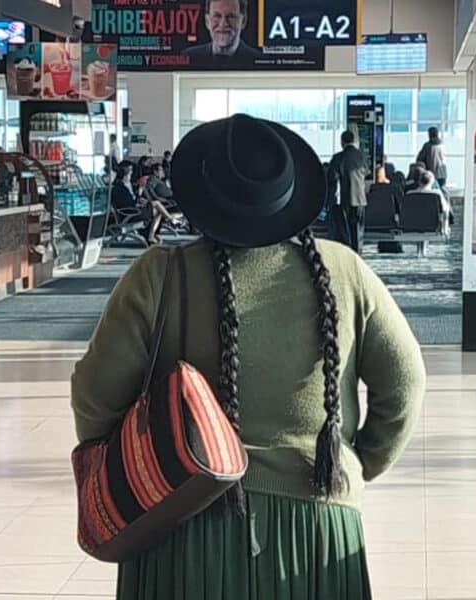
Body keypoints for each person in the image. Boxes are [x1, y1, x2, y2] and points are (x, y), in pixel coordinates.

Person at [71, 114, 426, 600]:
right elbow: (405, 381)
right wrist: (356, 464)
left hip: (180, 522)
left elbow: (95, 396)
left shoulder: (160, 275)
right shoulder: (345, 271)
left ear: (202, 194)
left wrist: (126, 460)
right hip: (319, 525)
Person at [183, 0, 260, 67]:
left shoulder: (258, 59)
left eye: (231, 16)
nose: (223, 24)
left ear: (243, 21)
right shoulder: (190, 56)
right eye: (217, 16)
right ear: (207, 21)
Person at [328, 130, 369, 254]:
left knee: (344, 231)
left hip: (343, 199)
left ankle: (346, 254)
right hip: (360, 198)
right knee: (358, 231)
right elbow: (366, 172)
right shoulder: (362, 156)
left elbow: (332, 178)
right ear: (354, 141)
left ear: (342, 142)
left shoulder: (338, 158)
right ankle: (358, 254)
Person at [142, 163, 185, 245]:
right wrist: (160, 199)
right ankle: (173, 220)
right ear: (155, 171)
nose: (163, 172)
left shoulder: (160, 180)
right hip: (165, 203)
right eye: (161, 170)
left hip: (168, 202)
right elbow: (149, 191)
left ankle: (174, 220)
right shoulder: (152, 179)